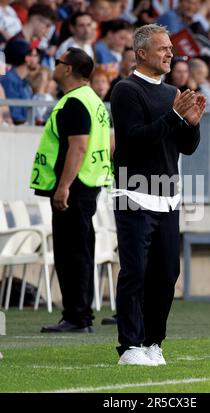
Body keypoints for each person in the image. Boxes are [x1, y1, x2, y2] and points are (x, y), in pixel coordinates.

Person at [110, 24, 206, 365]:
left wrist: (191, 124)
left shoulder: (171, 94)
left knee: (167, 274)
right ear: (141, 53)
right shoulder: (125, 90)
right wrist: (175, 116)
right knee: (135, 271)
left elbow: (185, 148)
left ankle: (154, 343)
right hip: (133, 192)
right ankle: (130, 346)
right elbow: (135, 139)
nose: (170, 53)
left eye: (170, 48)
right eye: (163, 48)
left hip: (167, 196)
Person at [30, 47, 112, 333]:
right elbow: (109, 144)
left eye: (58, 62)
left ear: (68, 69)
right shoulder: (93, 100)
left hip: (75, 188)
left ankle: (77, 317)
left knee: (71, 254)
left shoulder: (75, 102)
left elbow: (77, 146)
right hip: (90, 183)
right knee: (80, 251)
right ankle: (80, 315)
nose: (54, 66)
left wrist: (63, 186)